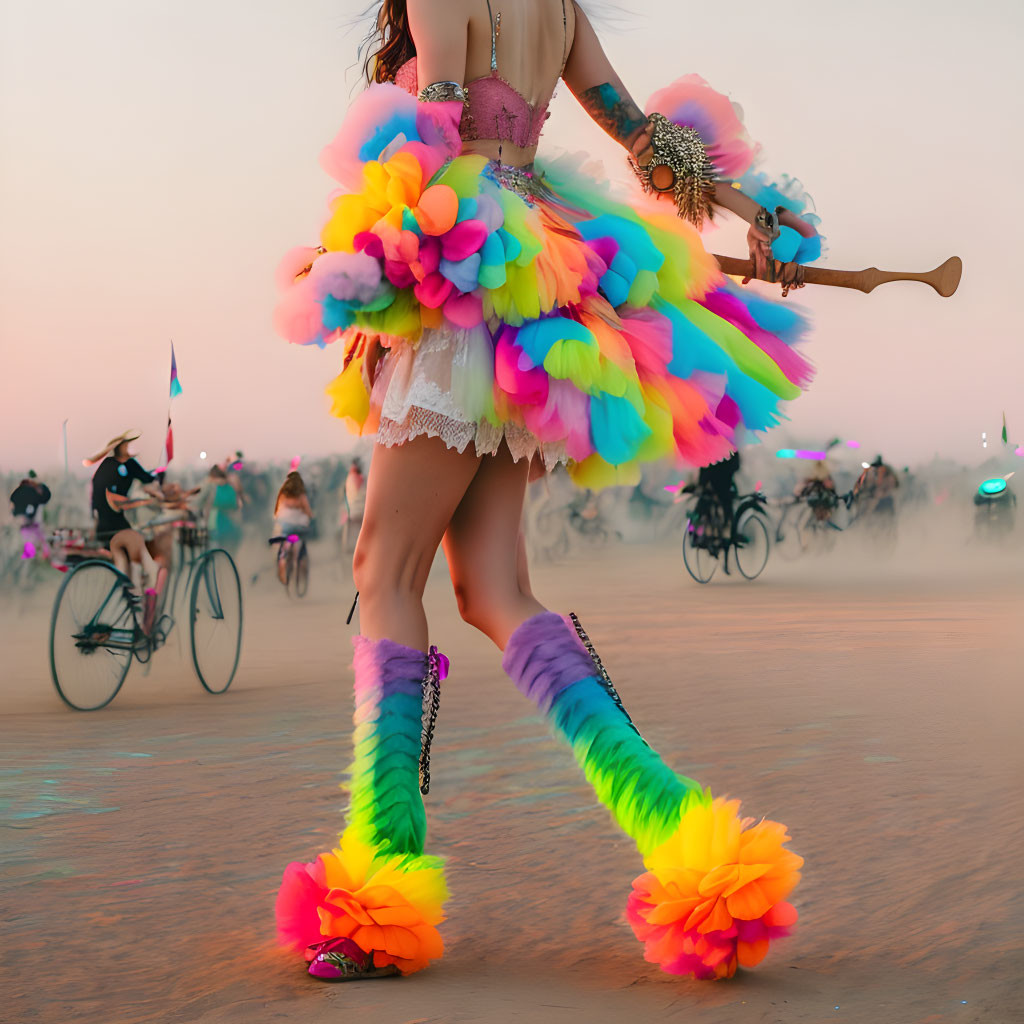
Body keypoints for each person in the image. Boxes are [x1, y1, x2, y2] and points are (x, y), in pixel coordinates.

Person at [274, 0, 815, 983]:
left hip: (463, 284)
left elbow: (435, 129)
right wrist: (754, 215)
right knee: (492, 593)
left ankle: (377, 887)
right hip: (546, 298)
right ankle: (689, 845)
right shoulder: (556, 4)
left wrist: (374, 276)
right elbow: (641, 137)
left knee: (383, 571)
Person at [85, 431, 166, 602]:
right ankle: (136, 592)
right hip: (112, 521)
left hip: (114, 520)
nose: (128, 447)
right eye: (126, 444)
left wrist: (161, 474)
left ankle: (127, 593)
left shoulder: (129, 465)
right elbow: (112, 498)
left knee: (126, 561)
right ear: (118, 447)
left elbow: (146, 478)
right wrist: (143, 502)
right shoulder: (110, 466)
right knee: (142, 558)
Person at [273, 471, 314, 584]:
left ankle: (283, 561)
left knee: (283, 543)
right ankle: (299, 563)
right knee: (298, 542)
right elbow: (308, 512)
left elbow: (276, 512)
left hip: (285, 526)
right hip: (299, 528)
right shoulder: (301, 496)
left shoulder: (282, 494)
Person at [9, 470, 52, 561]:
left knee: (38, 541)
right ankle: (32, 561)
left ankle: (39, 558)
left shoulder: (29, 492)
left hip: (30, 524)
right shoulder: (30, 493)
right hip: (27, 525)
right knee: (31, 545)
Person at [201, 465, 243, 553]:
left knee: (216, 551)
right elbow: (237, 505)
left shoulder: (212, 486)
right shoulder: (230, 487)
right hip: (229, 525)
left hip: (216, 525)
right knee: (228, 551)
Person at [796, 460, 839, 524]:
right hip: (821, 484)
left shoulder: (812, 502)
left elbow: (804, 491)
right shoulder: (828, 502)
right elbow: (833, 492)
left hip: (817, 484)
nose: (820, 513)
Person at [340, 458, 366, 552]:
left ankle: (345, 545)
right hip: (364, 512)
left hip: (352, 512)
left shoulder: (348, 480)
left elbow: (345, 497)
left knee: (344, 513)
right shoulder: (364, 479)